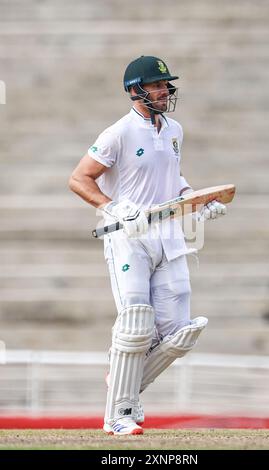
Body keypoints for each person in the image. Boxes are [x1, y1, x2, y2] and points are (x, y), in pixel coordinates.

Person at [69, 55, 227, 435]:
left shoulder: (174, 129)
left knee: (178, 333)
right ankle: (118, 417)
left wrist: (196, 200)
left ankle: (124, 383)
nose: (164, 90)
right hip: (128, 238)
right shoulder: (117, 133)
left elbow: (173, 176)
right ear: (134, 90)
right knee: (137, 323)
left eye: (165, 85)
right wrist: (115, 208)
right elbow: (79, 179)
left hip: (169, 235)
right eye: (156, 85)